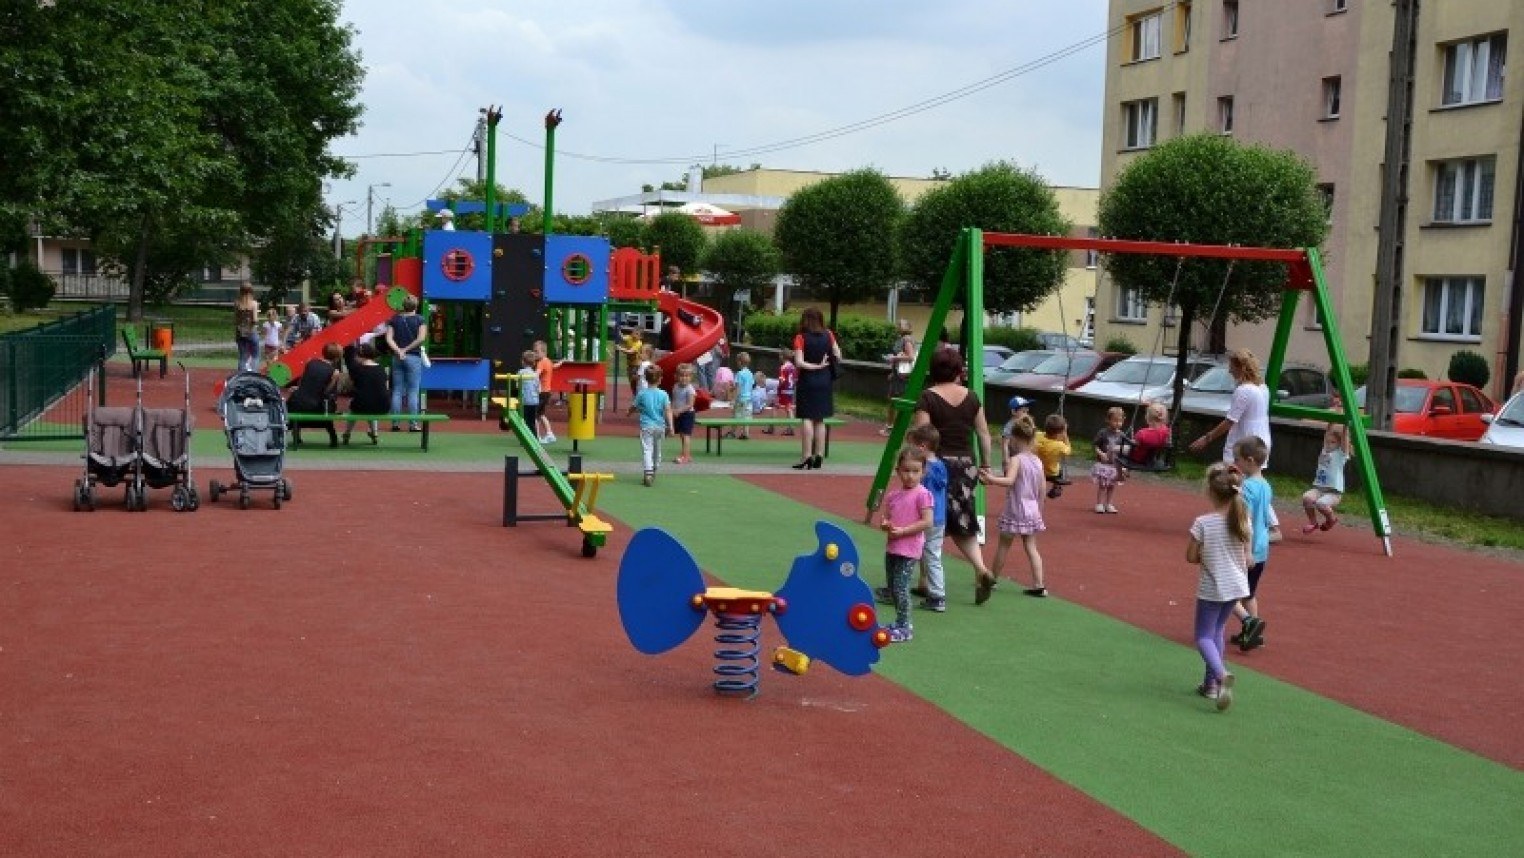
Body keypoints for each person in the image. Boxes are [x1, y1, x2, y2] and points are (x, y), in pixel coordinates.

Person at [910, 347, 997, 604]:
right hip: (966, 464)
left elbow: (922, 435)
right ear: (959, 371)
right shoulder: (972, 397)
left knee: (929, 520)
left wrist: (914, 463)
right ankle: (981, 569)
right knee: (962, 520)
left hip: (937, 465)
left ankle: (926, 582)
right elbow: (983, 433)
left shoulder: (927, 398)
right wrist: (986, 466)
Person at [1186, 463, 1253, 711]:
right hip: (1236, 585)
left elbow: (1190, 556)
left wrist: (1205, 553)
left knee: (1203, 636)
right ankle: (1210, 685)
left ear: (1210, 492)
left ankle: (1221, 675)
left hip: (1213, 586)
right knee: (1218, 631)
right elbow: (1247, 555)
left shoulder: (1204, 523)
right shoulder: (1243, 519)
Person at [981, 413, 1047, 597]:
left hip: (1016, 507)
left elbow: (1009, 481)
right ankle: (1039, 584)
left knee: (1004, 544)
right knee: (1031, 547)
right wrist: (1040, 508)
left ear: (1016, 439)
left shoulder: (1016, 460)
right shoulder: (1037, 461)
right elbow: (1042, 488)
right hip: (1033, 508)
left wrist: (991, 479)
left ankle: (993, 578)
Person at [875, 445, 934, 643]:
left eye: (915, 471)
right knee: (892, 587)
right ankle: (898, 621)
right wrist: (885, 524)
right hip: (893, 547)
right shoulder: (893, 495)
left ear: (923, 471)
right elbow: (888, 516)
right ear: (898, 470)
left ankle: (905, 625)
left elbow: (927, 521)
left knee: (901, 587)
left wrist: (903, 531)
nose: (910, 476)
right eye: (906, 470)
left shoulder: (922, 494)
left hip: (909, 550)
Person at [1229, 436, 1279, 653]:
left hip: (1246, 549)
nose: (1235, 463)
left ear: (1249, 460)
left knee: (1229, 593)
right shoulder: (1265, 485)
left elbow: (1245, 520)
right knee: (1249, 593)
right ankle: (1253, 631)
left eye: (1237, 459)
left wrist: (1245, 550)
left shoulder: (1247, 487)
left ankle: (1250, 622)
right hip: (1262, 548)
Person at [1190, 349, 1272, 467]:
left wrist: (1207, 438)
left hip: (1245, 441)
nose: (1229, 370)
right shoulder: (1263, 387)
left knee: (1234, 478)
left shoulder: (1244, 390)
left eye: (1232, 366)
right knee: (1252, 477)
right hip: (1261, 440)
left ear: (1240, 367)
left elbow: (1230, 421)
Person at [791, 307, 843, 470]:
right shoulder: (829, 335)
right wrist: (824, 364)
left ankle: (806, 456)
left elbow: (799, 363)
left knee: (807, 417)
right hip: (825, 380)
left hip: (807, 380)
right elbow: (838, 355)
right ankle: (819, 454)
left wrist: (814, 366)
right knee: (820, 419)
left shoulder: (800, 338)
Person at [286, 343, 344, 448]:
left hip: (296, 404)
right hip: (315, 407)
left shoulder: (311, 362)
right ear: (337, 358)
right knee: (327, 405)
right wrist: (334, 380)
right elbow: (326, 392)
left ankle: (295, 434)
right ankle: (333, 438)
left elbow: (303, 381)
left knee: (300, 399)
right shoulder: (333, 372)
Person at [384, 295, 427, 432]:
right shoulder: (420, 319)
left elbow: (388, 338)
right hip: (413, 356)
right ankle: (413, 424)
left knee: (397, 390)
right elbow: (421, 339)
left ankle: (395, 423)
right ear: (416, 305)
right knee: (413, 391)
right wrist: (406, 349)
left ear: (403, 305)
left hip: (397, 357)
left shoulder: (394, 319)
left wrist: (398, 350)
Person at [1301, 420, 1351, 535]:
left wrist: (1346, 425)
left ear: (1339, 444)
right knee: (1307, 498)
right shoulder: (1325, 450)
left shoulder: (1341, 454)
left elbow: (1345, 438)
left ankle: (1331, 519)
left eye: (1332, 442)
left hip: (1333, 493)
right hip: (1319, 489)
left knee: (1321, 504)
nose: (1329, 445)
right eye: (1328, 442)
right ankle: (1313, 522)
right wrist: (1331, 420)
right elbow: (1327, 433)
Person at [629, 364, 673, 487]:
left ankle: (648, 472)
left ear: (645, 379)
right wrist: (671, 426)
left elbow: (634, 406)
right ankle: (654, 469)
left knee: (647, 449)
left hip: (646, 426)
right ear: (660, 379)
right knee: (657, 449)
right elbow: (668, 410)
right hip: (660, 426)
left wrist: (629, 412)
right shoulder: (663, 394)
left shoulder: (642, 394)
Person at [342, 341, 390, 445]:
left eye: (356, 356)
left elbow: (349, 386)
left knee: (355, 406)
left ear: (361, 356)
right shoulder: (381, 369)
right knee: (372, 403)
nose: (355, 358)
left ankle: (347, 433)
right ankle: (375, 433)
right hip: (383, 406)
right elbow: (386, 387)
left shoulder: (356, 369)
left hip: (361, 405)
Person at [1092, 406, 1129, 514]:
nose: (1118, 423)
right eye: (1115, 420)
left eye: (1120, 421)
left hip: (1115, 464)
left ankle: (1108, 504)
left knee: (1112, 486)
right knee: (1103, 485)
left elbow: (1124, 449)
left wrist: (1124, 465)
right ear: (1108, 420)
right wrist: (1101, 453)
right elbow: (1095, 446)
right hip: (1104, 463)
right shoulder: (1103, 432)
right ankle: (1099, 503)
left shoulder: (1122, 435)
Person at [883, 319, 916, 435]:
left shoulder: (906, 340)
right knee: (893, 400)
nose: (898, 326)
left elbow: (911, 357)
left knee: (895, 400)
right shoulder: (902, 339)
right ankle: (892, 426)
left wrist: (895, 358)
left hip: (902, 376)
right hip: (898, 374)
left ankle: (892, 427)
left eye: (900, 324)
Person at [1033, 413, 1072, 499]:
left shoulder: (1037, 435)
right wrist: (1065, 438)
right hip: (1051, 473)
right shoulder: (1059, 445)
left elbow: (1040, 434)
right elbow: (1068, 451)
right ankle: (1056, 487)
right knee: (1059, 470)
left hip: (1036, 469)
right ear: (1058, 434)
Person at [533, 340, 564, 443]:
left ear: (543, 352)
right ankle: (550, 434)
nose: (535, 354)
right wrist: (560, 363)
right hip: (547, 392)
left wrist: (525, 375)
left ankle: (537, 437)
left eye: (537, 352)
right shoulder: (548, 361)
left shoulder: (541, 363)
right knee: (541, 414)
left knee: (535, 415)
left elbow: (536, 375)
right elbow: (554, 367)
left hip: (541, 392)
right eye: (534, 351)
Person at [1125, 401, 1172, 468]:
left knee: (1114, 448)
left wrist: (1129, 440)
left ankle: (1119, 474)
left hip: (1136, 457)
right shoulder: (1167, 432)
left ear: (1147, 418)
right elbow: (1166, 443)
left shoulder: (1142, 433)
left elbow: (1134, 445)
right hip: (1152, 459)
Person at [671, 362, 698, 464]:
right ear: (677, 376)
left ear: (691, 377)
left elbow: (690, 404)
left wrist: (679, 410)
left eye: (687, 376)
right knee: (682, 435)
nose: (684, 378)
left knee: (686, 435)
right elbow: (674, 400)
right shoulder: (676, 386)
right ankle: (685, 454)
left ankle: (686, 456)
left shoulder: (690, 389)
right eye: (681, 375)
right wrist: (673, 410)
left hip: (687, 414)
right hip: (679, 413)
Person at [233, 283, 260, 373]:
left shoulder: (237, 303)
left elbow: (236, 320)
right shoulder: (254, 304)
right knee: (255, 355)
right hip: (251, 331)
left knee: (242, 356)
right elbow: (255, 320)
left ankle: (241, 376)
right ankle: (254, 374)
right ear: (251, 291)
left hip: (240, 332)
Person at [515, 349, 542, 442]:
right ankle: (534, 438)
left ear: (523, 361)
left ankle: (526, 439)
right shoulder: (535, 374)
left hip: (525, 400)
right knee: (531, 420)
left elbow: (517, 385)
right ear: (534, 363)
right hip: (534, 400)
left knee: (524, 421)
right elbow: (538, 388)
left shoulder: (521, 372)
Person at [729, 352, 755, 439]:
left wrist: (733, 399)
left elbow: (738, 388)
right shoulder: (750, 373)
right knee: (746, 416)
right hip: (749, 399)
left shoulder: (739, 374)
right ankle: (746, 433)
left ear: (740, 362)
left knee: (736, 415)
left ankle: (732, 432)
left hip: (741, 398)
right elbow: (750, 386)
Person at [775, 348, 797, 435]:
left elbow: (782, 380)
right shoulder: (793, 367)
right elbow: (795, 379)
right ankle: (790, 427)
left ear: (783, 356)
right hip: (790, 390)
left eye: (780, 355)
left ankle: (790, 428)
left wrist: (778, 390)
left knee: (781, 407)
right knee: (788, 408)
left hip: (784, 390)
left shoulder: (783, 367)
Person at [618, 327, 644, 397]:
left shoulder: (638, 343)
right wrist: (618, 330)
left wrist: (620, 348)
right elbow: (622, 338)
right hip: (630, 365)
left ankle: (638, 395)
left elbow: (630, 351)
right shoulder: (629, 338)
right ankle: (635, 395)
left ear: (640, 337)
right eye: (633, 332)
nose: (634, 335)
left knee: (635, 381)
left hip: (636, 365)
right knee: (632, 382)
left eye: (637, 334)